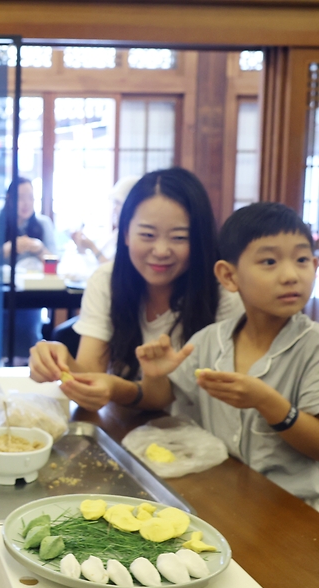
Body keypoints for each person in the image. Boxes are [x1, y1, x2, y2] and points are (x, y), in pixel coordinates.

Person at [135, 202, 319, 509]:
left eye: (302, 259)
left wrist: (267, 401)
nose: (291, 275)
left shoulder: (313, 346)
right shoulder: (210, 340)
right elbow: (160, 400)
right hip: (222, 496)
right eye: (270, 261)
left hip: (292, 509)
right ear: (229, 276)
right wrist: (154, 375)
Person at [29, 167, 245, 410]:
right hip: (128, 430)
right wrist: (62, 362)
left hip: (205, 439)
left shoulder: (223, 293)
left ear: (200, 239)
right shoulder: (106, 282)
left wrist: (115, 387)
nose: (161, 251)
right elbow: (90, 381)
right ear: (126, 235)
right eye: (147, 235)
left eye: (179, 237)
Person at [0, 177, 58, 363]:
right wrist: (6, 250)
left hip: (32, 295)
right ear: (10, 200)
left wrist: (39, 249)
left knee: (28, 326)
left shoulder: (43, 224)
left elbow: (54, 264)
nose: (26, 203)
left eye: (30, 197)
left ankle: (27, 366)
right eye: (20, 197)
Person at [71, 175, 140, 265]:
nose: (114, 209)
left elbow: (112, 271)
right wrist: (81, 247)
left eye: (118, 203)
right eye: (114, 203)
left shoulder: (132, 239)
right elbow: (94, 268)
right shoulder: (115, 234)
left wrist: (92, 247)